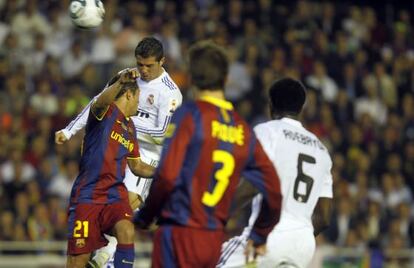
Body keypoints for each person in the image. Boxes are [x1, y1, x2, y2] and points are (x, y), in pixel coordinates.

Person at [134, 41, 283, 268]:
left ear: (192, 79)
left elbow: (167, 175)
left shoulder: (189, 116)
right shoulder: (243, 130)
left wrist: (146, 215)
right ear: (225, 80)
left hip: (178, 233)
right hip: (213, 240)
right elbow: (273, 189)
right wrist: (260, 234)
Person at [55, 37, 182, 267]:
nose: (142, 70)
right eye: (139, 63)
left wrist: (122, 124)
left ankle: (106, 255)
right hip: (115, 145)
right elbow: (98, 103)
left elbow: (162, 133)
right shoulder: (127, 76)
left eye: (149, 65)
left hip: (145, 153)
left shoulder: (170, 93)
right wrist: (69, 130)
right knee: (105, 202)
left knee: (127, 205)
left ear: (162, 61)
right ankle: (102, 251)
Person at [217, 78, 333, 268]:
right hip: (303, 247)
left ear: (270, 105)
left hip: (269, 236)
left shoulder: (268, 132)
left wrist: (217, 216)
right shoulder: (321, 150)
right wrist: (293, 239)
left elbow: (253, 184)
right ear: (301, 108)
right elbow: (324, 217)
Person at [66, 68, 155, 268]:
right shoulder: (104, 112)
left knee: (126, 229)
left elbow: (137, 165)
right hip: (89, 194)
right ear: (129, 94)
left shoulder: (130, 127)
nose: (139, 103)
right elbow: (99, 103)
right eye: (137, 97)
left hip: (114, 193)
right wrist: (118, 83)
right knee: (78, 260)